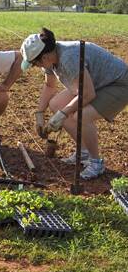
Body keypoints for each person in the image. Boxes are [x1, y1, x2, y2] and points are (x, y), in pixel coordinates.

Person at [21, 28, 128, 179]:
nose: (35, 66)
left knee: (82, 116)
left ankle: (96, 162)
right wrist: (40, 113)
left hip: (118, 84)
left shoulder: (68, 58)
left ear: (44, 58)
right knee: (56, 104)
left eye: (34, 63)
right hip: (95, 83)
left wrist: (63, 114)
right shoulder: (52, 58)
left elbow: (88, 94)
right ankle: (83, 152)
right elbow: (49, 86)